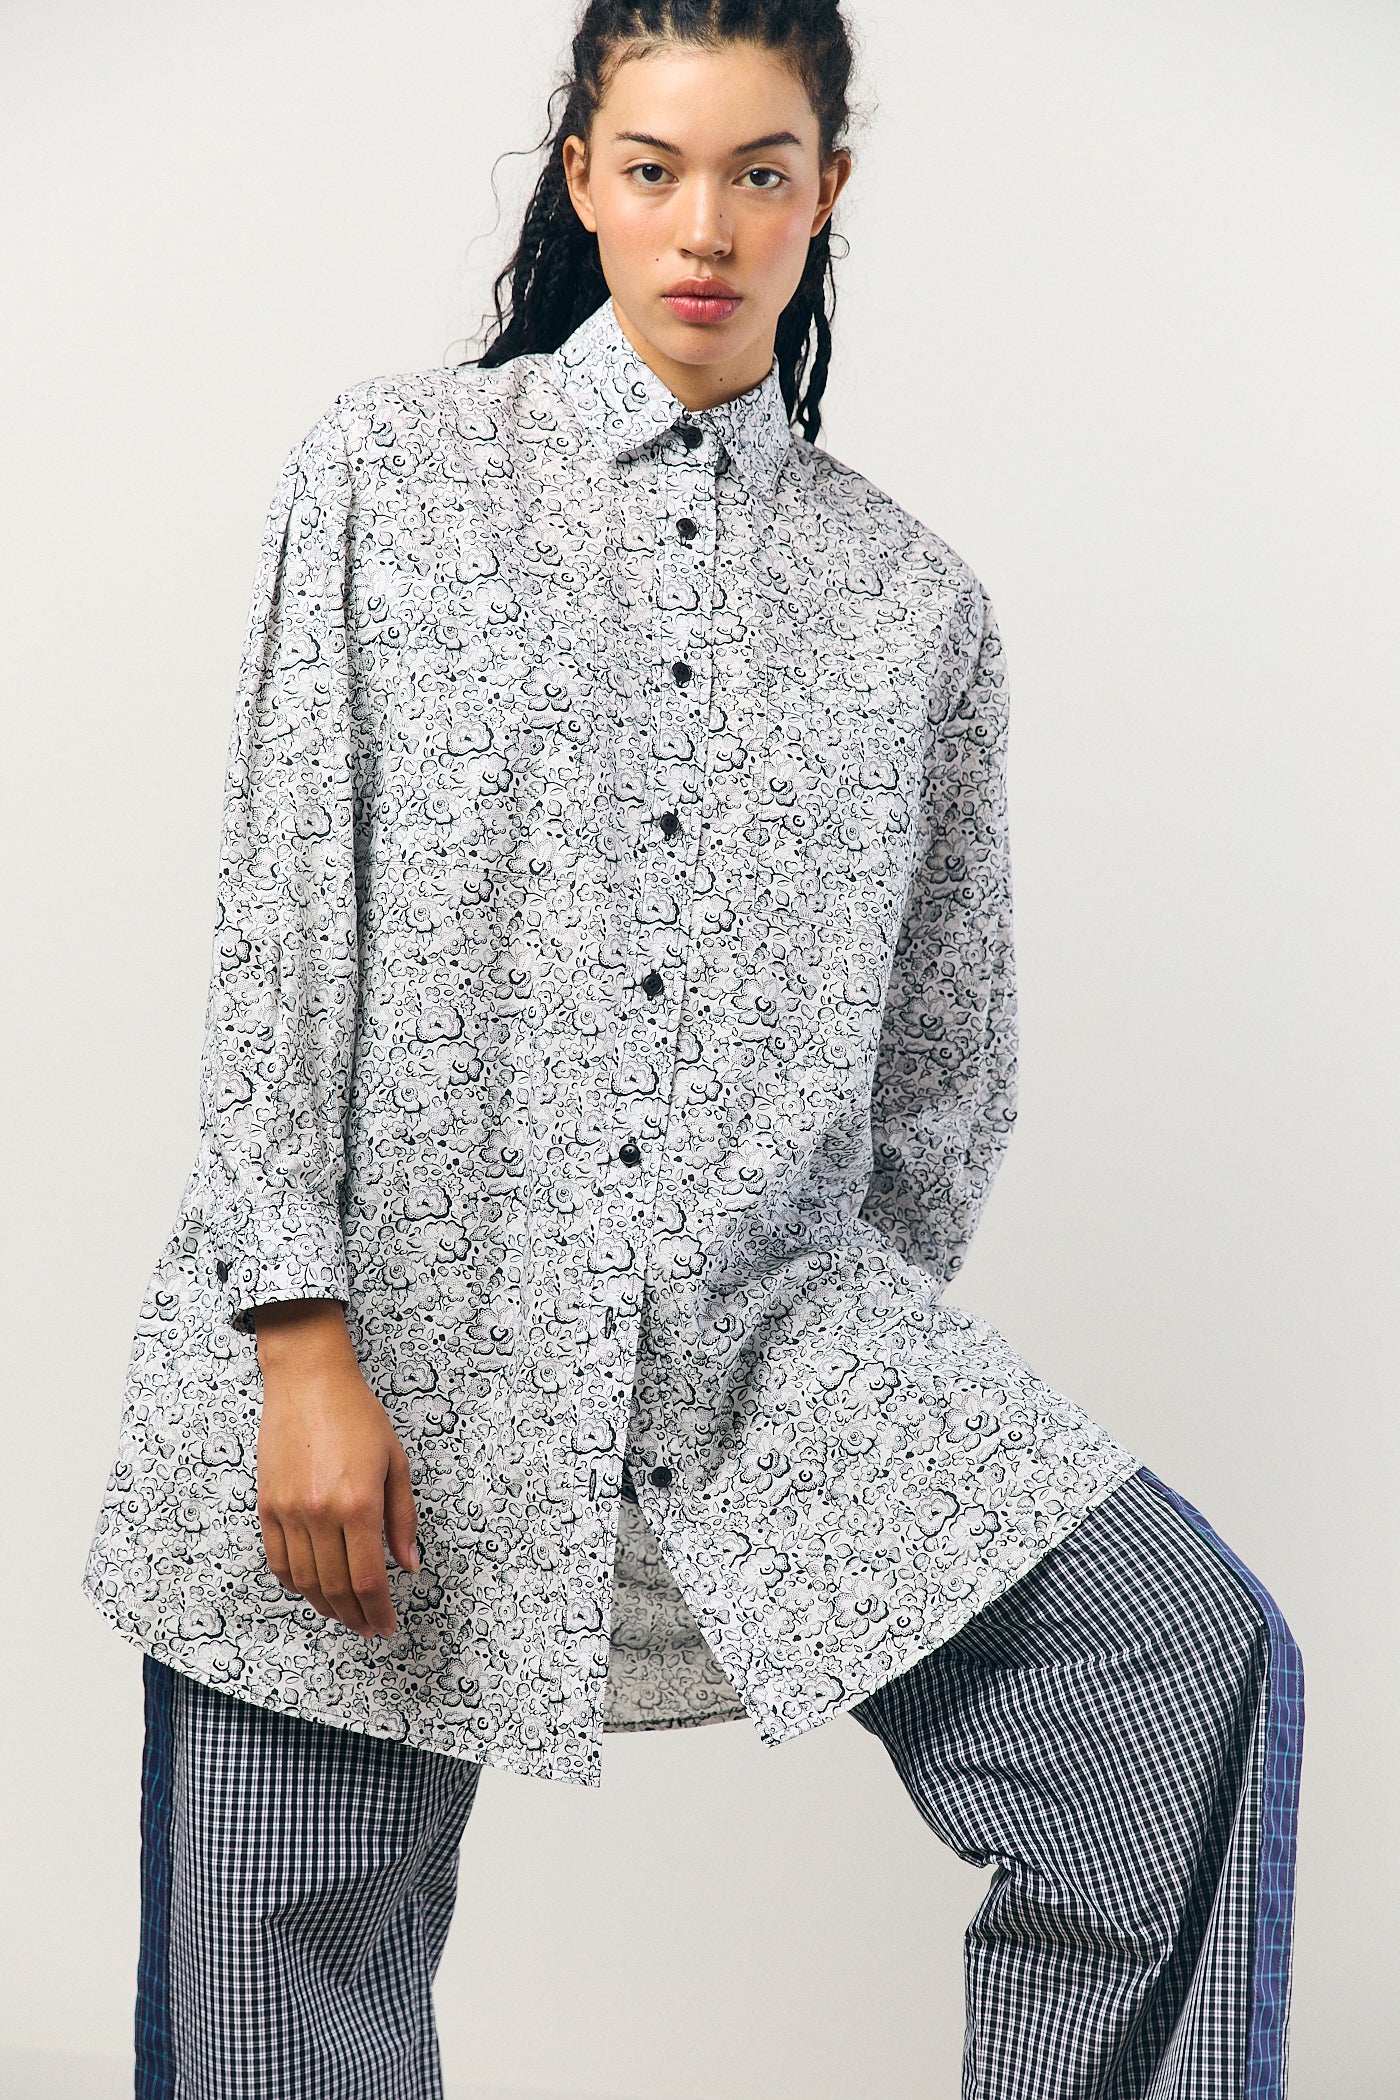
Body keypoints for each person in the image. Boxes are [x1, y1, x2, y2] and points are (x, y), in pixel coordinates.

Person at [81, 3, 1303, 2095]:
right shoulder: (393, 474)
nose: (706, 227)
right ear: (581, 177)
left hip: (762, 1348)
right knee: (287, 1969)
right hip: (384, 1339)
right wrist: (295, 1343)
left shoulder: (910, 604)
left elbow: (942, 1064)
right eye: (653, 169)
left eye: (760, 172)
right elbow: (286, 918)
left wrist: (845, 1395)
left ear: (830, 193)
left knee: (1175, 1659)